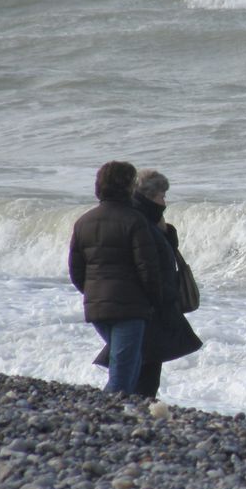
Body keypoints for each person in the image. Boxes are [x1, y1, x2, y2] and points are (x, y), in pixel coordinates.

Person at [94, 169, 202, 398]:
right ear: (149, 196)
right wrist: (157, 298)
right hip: (144, 306)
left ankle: (126, 408)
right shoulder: (139, 222)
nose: (164, 202)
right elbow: (148, 267)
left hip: (132, 304)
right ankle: (116, 409)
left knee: (140, 361)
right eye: (162, 196)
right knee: (138, 368)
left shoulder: (141, 219)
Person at [69, 161, 162, 394]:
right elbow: (148, 269)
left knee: (132, 363)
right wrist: (154, 300)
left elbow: (76, 271)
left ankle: (124, 415)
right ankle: (105, 418)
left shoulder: (83, 222)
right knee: (122, 373)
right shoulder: (134, 221)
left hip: (97, 308)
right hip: (129, 308)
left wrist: (94, 293)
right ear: (128, 187)